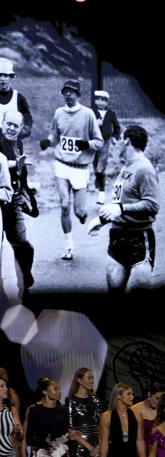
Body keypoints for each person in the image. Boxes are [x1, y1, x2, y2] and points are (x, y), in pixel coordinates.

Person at [86, 125, 159, 294]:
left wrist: (120, 209)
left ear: (126, 141)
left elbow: (152, 204)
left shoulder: (144, 169)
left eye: (119, 139)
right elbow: (120, 203)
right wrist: (102, 220)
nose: (115, 143)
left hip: (138, 239)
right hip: (117, 237)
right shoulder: (127, 167)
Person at [38, 79, 104, 260]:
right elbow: (55, 136)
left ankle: (82, 215)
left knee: (79, 211)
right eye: (65, 91)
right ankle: (68, 245)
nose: (68, 94)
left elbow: (99, 142)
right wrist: (47, 142)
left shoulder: (88, 114)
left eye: (72, 92)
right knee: (64, 205)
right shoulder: (59, 112)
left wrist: (87, 144)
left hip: (80, 168)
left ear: (78, 94)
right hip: (62, 164)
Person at [0, 110, 35, 294]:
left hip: (13, 200)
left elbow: (21, 174)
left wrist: (28, 191)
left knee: (22, 243)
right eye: (9, 124)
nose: (12, 128)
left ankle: (24, 280)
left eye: (16, 126)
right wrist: (15, 165)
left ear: (21, 129)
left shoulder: (18, 143)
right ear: (2, 123)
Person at [91, 89, 121, 205]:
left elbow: (117, 127)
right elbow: (87, 125)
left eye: (103, 100)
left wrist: (114, 137)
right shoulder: (92, 112)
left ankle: (101, 193)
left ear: (107, 102)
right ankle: (98, 183)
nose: (100, 102)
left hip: (105, 142)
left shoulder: (111, 114)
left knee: (101, 167)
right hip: (93, 141)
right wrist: (95, 124)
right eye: (98, 99)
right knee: (95, 167)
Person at [0, 58, 33, 139]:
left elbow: (27, 119)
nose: (2, 79)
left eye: (5, 75)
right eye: (0, 75)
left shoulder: (18, 98)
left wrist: (18, 132)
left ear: (10, 77)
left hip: (12, 143)